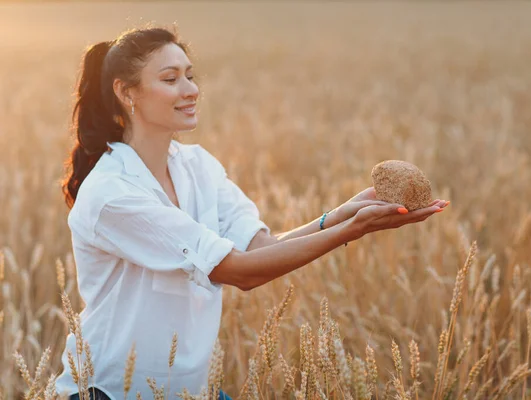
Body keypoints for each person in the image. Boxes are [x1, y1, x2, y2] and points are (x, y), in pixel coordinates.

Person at [55, 25, 448, 399]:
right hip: (109, 392)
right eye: (171, 79)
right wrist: (352, 230)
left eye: (190, 76)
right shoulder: (113, 193)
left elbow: (260, 246)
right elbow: (240, 271)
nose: (191, 90)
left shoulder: (197, 165)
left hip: (191, 390)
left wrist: (342, 214)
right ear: (127, 92)